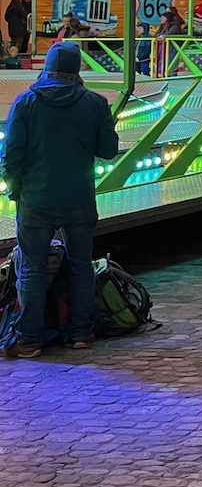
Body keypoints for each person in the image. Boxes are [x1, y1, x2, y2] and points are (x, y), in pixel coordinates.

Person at [1, 41, 117, 357]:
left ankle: (30, 340)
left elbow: (11, 154)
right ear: (77, 68)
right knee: (81, 266)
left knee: (33, 270)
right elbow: (107, 150)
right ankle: (81, 333)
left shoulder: (25, 103)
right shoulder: (95, 103)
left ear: (47, 66)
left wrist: (15, 188)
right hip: (80, 198)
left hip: (35, 200)